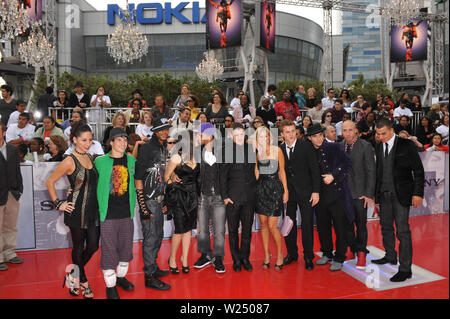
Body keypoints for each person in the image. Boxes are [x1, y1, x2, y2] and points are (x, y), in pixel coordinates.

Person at [46, 122, 100, 298]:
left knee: (92, 246)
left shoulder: (91, 157)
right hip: (75, 210)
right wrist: (58, 203)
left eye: (90, 140)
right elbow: (50, 181)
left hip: (93, 210)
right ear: (74, 139)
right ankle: (83, 281)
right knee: (78, 246)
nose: (87, 143)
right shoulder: (69, 160)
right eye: (84, 140)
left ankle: (72, 274)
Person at [372, 118, 425, 282]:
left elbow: (418, 170)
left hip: (401, 195)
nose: (381, 137)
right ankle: (390, 256)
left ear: (391, 130)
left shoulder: (406, 145)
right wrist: (376, 196)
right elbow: (379, 172)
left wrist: (418, 193)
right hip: (384, 194)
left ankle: (405, 269)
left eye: (384, 133)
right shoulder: (380, 145)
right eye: (378, 134)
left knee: (403, 231)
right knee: (386, 227)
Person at [95, 127, 136, 299]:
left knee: (126, 249)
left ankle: (120, 278)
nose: (123, 143)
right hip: (108, 214)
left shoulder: (132, 161)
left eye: (125, 140)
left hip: (127, 213)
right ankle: (110, 286)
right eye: (118, 140)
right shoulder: (100, 161)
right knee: (109, 249)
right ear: (111, 142)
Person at [308, 123, 354, 272]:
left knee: (340, 227)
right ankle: (327, 253)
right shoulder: (308, 151)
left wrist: (333, 175)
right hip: (319, 196)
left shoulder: (335, 147)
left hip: (337, 193)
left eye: (320, 135)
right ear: (310, 138)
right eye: (315, 136)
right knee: (322, 226)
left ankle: (340, 257)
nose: (318, 139)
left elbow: (348, 163)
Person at [135, 117, 172, 291]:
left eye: (167, 129)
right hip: (149, 202)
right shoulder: (147, 148)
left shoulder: (164, 147)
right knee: (150, 238)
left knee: (158, 236)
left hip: (158, 199)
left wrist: (164, 198)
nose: (165, 132)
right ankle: (149, 276)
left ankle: (153, 267)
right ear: (155, 130)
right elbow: (138, 177)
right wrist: (142, 205)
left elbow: (161, 176)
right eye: (162, 129)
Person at [279, 120, 320, 270]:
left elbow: (315, 170)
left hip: (306, 192)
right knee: (288, 225)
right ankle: (292, 254)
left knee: (307, 225)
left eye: (293, 131)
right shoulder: (279, 149)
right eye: (287, 132)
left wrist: (316, 191)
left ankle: (309, 256)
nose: (291, 134)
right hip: (288, 194)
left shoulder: (306, 146)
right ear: (282, 134)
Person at [220, 123, 257, 272]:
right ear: (232, 136)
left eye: (242, 134)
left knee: (247, 230)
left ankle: (245, 258)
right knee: (233, 230)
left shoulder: (251, 149)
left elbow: (254, 171)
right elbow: (222, 176)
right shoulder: (226, 151)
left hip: (249, 197)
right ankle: (236, 260)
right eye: (236, 135)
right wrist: (225, 196)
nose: (239, 137)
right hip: (232, 198)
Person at [253, 126, 289, 271]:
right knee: (263, 224)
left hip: (274, 189)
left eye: (265, 136)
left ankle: (280, 255)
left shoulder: (277, 150)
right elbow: (256, 173)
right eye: (260, 136)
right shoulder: (257, 154)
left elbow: (282, 171)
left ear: (269, 137)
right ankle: (267, 255)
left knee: (273, 226)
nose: (263, 138)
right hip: (261, 190)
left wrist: (286, 191)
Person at [341, 120, 376, 269]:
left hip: (360, 194)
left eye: (350, 130)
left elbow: (371, 171)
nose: (347, 133)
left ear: (356, 130)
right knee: (346, 225)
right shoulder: (340, 146)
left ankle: (361, 253)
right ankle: (351, 248)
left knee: (361, 226)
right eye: (344, 130)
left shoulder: (365, 146)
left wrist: (369, 194)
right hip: (344, 194)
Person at [193, 123, 227, 273]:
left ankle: (218, 258)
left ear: (210, 135)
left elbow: (215, 163)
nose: (198, 137)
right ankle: (205, 255)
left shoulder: (221, 150)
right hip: (203, 195)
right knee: (202, 230)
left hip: (219, 196)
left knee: (219, 230)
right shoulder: (199, 150)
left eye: (201, 134)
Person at [164, 130, 199, 274]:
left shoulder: (197, 157)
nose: (198, 140)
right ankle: (172, 259)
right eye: (195, 138)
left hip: (193, 197)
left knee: (188, 229)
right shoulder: (176, 158)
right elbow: (166, 178)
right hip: (179, 198)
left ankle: (184, 259)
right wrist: (173, 178)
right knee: (179, 230)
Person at [0, 122, 23, 272]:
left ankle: (9, 253)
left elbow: (17, 171)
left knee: (10, 226)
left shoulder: (13, 150)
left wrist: (19, 190)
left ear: (3, 132)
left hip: (12, 193)